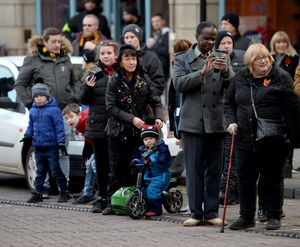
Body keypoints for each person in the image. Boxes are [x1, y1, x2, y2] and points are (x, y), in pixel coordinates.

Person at [225, 44, 298, 231]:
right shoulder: (240, 77)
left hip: (273, 140)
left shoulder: (281, 77)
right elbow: (229, 103)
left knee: (272, 178)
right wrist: (231, 122)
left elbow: (292, 110)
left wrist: (292, 138)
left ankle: (274, 215)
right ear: (250, 63)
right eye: (259, 59)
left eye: (266, 57)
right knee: (245, 178)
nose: (264, 61)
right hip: (244, 139)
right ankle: (246, 216)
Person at [172, 21, 234, 227]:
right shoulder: (183, 58)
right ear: (197, 36)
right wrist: (202, 73)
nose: (209, 42)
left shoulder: (223, 57)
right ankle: (196, 213)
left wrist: (226, 72)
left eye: (213, 39)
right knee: (193, 169)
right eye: (206, 38)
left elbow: (234, 87)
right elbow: (178, 84)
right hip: (192, 123)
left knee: (215, 169)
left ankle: (212, 212)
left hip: (216, 122)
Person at [15, 27, 81, 193]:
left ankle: (62, 188)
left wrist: (74, 98)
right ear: (45, 42)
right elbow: (20, 84)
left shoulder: (65, 59)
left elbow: (75, 82)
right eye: (53, 42)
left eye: (59, 41)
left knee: (62, 152)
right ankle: (42, 188)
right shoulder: (33, 60)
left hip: (63, 114)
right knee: (42, 153)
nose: (57, 45)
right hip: (42, 115)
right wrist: (31, 105)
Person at [103, 44, 163, 215]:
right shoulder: (114, 80)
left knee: (136, 169)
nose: (131, 62)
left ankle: (137, 202)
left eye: (134, 58)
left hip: (139, 134)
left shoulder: (143, 79)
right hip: (118, 133)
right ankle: (112, 203)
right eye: (127, 59)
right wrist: (132, 119)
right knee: (116, 169)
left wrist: (158, 117)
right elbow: (110, 108)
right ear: (120, 62)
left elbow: (156, 101)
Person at [80, 40, 120, 213]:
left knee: (115, 165)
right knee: (101, 165)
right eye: (102, 53)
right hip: (98, 125)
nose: (105, 56)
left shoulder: (121, 74)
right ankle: (102, 198)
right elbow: (83, 100)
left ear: (115, 56)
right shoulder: (94, 75)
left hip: (116, 126)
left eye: (109, 53)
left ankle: (113, 199)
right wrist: (88, 88)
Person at [24, 83, 69, 203]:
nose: (38, 98)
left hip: (51, 146)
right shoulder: (33, 110)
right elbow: (31, 125)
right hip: (38, 146)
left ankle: (64, 191)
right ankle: (38, 192)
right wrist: (27, 135)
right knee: (40, 171)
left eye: (41, 96)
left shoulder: (54, 110)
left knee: (55, 170)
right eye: (36, 96)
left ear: (47, 97)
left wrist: (61, 143)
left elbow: (59, 127)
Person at [214, 31, 245, 206]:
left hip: (235, 112)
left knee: (232, 156)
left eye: (229, 43)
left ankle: (230, 191)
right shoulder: (213, 61)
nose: (226, 46)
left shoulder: (240, 59)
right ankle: (226, 190)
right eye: (223, 43)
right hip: (217, 113)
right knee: (223, 157)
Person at [133, 124, 171, 216]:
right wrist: (135, 161)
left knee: (152, 190)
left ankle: (156, 210)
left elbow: (164, 159)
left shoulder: (162, 147)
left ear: (156, 138)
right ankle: (146, 207)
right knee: (144, 190)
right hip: (148, 175)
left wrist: (153, 160)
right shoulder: (142, 149)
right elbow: (142, 160)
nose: (148, 141)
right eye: (146, 139)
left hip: (161, 175)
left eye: (151, 138)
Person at [62, 103, 95, 205]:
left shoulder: (86, 122)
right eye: (66, 118)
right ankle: (87, 193)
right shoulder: (79, 124)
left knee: (95, 165)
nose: (69, 120)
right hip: (95, 145)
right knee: (89, 166)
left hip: (102, 145)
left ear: (79, 115)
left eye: (71, 117)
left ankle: (105, 194)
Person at [122, 24, 166, 96]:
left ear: (139, 38)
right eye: (126, 38)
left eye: (132, 37)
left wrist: (146, 97)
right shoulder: (120, 57)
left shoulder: (151, 57)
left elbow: (159, 83)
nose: (129, 40)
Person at [168, 39, 192, 139]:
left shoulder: (176, 72)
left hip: (180, 120)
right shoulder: (196, 69)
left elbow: (171, 102)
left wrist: (172, 127)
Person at [147, 14, 170, 80]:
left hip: (164, 69)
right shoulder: (159, 34)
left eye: (157, 21)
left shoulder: (167, 33)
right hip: (157, 67)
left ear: (163, 21)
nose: (155, 23)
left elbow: (166, 51)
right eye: (153, 22)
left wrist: (154, 45)